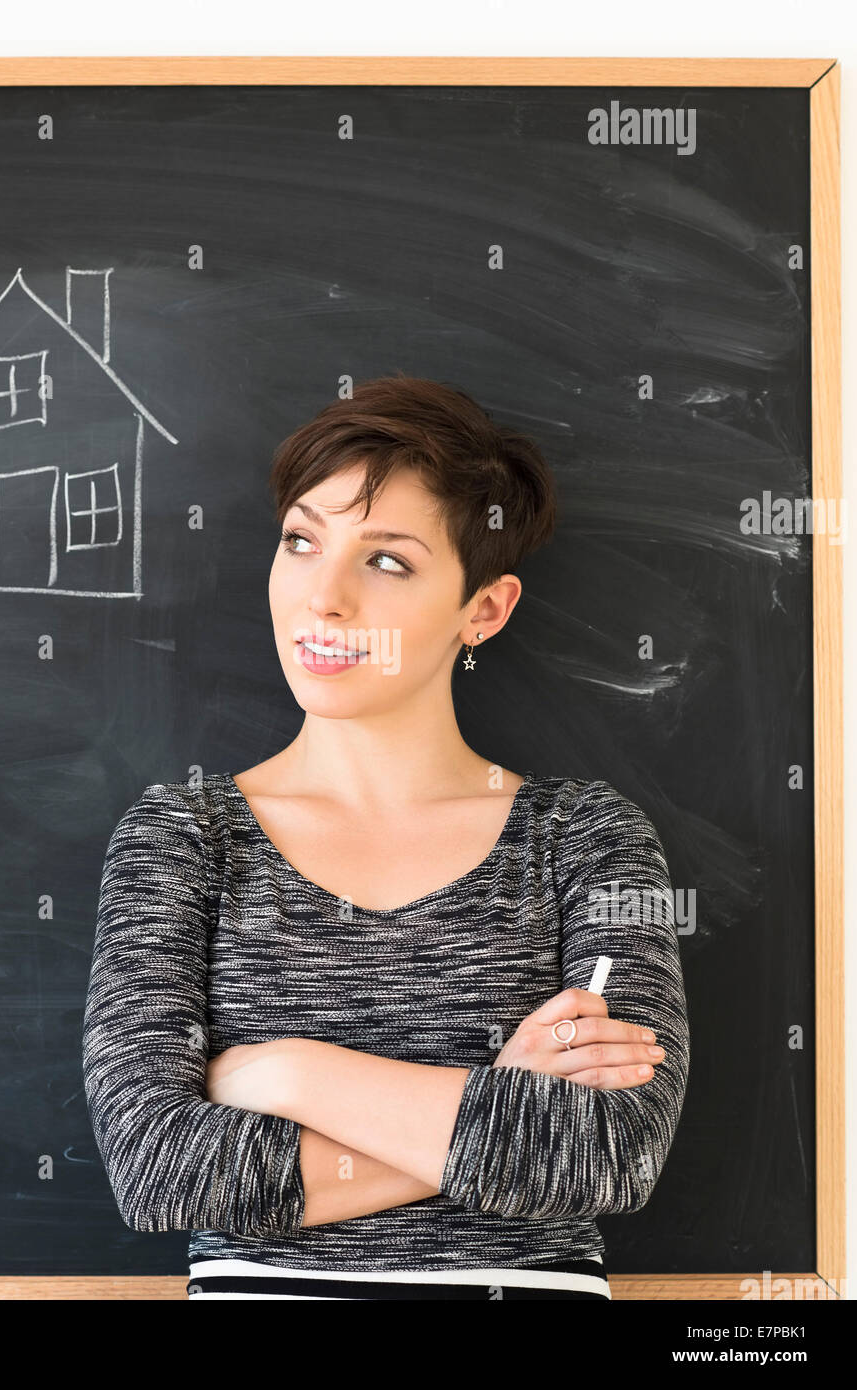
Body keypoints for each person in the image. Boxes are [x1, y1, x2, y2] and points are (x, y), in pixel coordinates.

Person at [82, 374, 690, 1301]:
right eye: (301, 541)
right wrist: (498, 1101)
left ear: (483, 609)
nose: (323, 598)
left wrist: (281, 1071)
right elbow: (157, 1166)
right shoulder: (184, 839)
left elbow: (609, 1156)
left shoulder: (587, 841)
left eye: (387, 561)